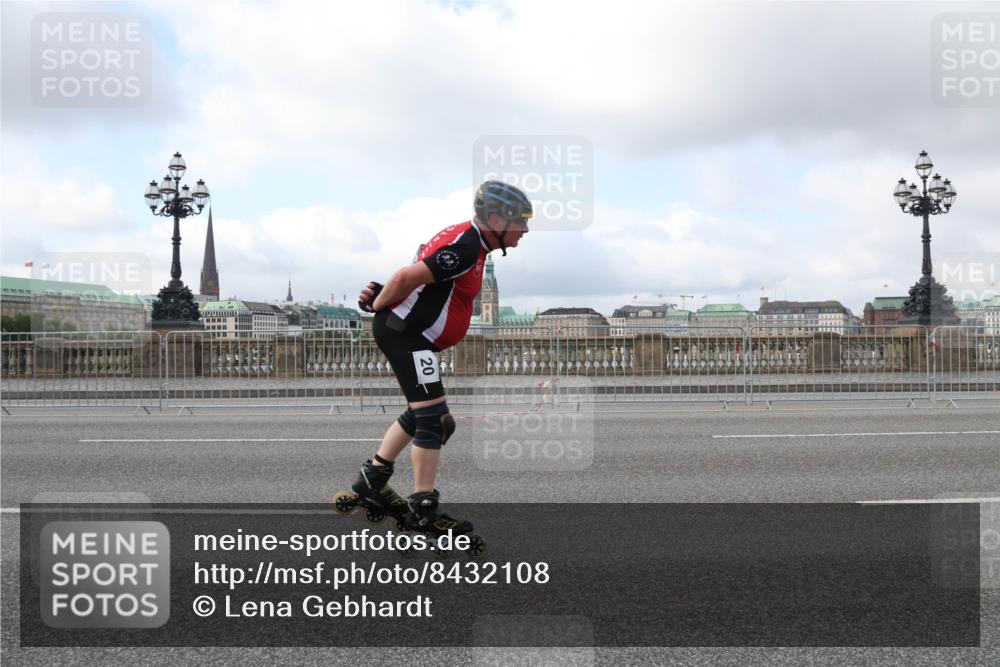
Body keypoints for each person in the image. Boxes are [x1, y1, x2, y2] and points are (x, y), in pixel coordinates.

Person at [351, 180, 532, 534]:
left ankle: (372, 478)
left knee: (426, 414)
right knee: (433, 420)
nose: (526, 229)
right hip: (409, 336)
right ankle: (422, 511)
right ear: (495, 219)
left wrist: (378, 296)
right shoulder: (467, 247)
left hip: (413, 334)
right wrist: (377, 303)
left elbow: (417, 277)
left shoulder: (469, 241)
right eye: (521, 220)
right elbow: (406, 276)